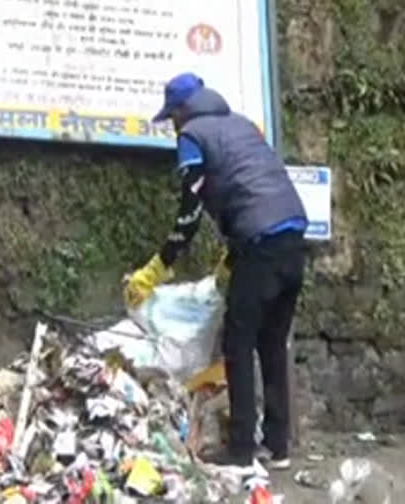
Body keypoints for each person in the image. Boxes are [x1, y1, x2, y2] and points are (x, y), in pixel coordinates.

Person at [123, 73, 308, 473]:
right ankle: (278, 445)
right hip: (293, 236)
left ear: (181, 110)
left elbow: (189, 213)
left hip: (260, 244)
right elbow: (255, 188)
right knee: (272, 342)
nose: (172, 125)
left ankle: (241, 448)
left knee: (238, 342)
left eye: (172, 116)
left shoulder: (192, 135)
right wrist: (233, 254)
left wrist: (157, 268)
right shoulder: (241, 125)